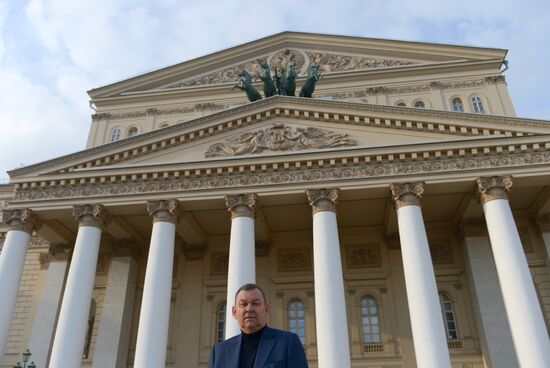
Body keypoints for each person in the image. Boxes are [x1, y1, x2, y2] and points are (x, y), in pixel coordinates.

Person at [208, 283, 309, 368]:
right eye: (243, 304)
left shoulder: (288, 343)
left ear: (266, 309)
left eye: (255, 303)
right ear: (234, 312)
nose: (249, 309)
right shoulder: (218, 352)